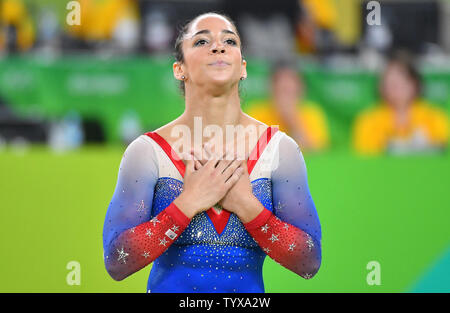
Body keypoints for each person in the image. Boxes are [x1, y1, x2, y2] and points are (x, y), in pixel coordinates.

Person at [102, 12, 322, 293]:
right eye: (202, 41)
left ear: (242, 67)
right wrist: (187, 203)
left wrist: (246, 205)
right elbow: (116, 262)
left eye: (229, 41)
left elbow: (309, 261)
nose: (218, 47)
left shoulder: (280, 151)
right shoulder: (147, 153)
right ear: (179, 69)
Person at [353, 52, 449, 155]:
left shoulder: (433, 116)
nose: (394, 89)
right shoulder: (368, 119)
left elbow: (442, 148)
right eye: (389, 84)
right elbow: (365, 152)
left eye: (400, 83)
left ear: (415, 85)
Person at [246, 61, 329, 152]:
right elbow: (251, 152)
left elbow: (316, 153)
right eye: (281, 85)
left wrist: (293, 121)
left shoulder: (312, 113)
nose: (286, 87)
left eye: (291, 84)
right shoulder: (257, 113)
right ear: (271, 87)